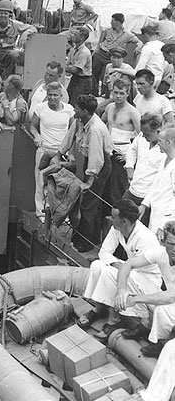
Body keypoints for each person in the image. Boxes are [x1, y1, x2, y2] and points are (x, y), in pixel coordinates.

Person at [79, 199, 162, 342]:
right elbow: (104, 252)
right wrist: (117, 264)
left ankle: (114, 319)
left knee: (110, 273)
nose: (111, 220)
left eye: (113, 217)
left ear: (124, 221)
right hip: (131, 270)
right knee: (97, 265)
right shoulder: (117, 229)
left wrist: (119, 268)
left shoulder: (145, 238)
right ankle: (98, 309)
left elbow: (136, 267)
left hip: (147, 280)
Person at [54, 94, 113, 251]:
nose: (74, 109)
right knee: (91, 202)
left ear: (85, 111)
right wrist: (59, 154)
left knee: (88, 203)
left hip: (100, 165)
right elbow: (69, 137)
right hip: (90, 162)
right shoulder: (79, 120)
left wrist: (90, 181)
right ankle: (90, 236)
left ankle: (86, 243)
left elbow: (97, 158)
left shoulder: (95, 129)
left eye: (77, 108)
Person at [113, 219, 175, 359]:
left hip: (172, 297)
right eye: (171, 244)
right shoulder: (160, 252)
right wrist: (121, 290)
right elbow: (128, 264)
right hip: (170, 294)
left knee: (163, 309)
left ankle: (161, 343)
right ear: (163, 242)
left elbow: (170, 297)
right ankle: (143, 324)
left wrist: (134, 300)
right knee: (132, 277)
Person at [30, 81, 74, 219]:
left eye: (55, 95)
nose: (52, 98)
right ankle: (41, 212)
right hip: (44, 150)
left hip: (62, 153)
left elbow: (72, 133)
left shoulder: (69, 109)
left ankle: (59, 214)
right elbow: (33, 126)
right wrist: (37, 136)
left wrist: (71, 153)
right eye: (50, 95)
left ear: (61, 95)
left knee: (61, 184)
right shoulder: (41, 108)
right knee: (41, 181)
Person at [0, 0, 36, 78]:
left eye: (5, 13)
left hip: (7, 52)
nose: (3, 15)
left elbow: (32, 28)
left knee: (14, 55)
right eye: (1, 13)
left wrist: (25, 34)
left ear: (10, 15)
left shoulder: (15, 25)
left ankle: (5, 78)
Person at [124, 113, 165, 210]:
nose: (143, 136)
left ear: (158, 131)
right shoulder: (142, 136)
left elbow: (160, 180)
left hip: (148, 198)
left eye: (147, 134)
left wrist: (145, 204)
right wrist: (129, 167)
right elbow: (132, 149)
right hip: (132, 190)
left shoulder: (166, 151)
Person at [92, 13, 142, 92]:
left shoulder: (127, 35)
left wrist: (138, 47)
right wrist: (95, 52)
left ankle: (106, 93)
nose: (110, 23)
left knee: (109, 75)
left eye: (112, 21)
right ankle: (94, 92)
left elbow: (139, 42)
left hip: (113, 57)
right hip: (101, 54)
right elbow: (99, 43)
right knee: (94, 73)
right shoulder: (107, 31)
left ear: (117, 22)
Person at [140, 128, 175, 236]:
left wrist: (164, 225)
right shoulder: (164, 158)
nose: (157, 143)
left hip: (167, 218)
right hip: (155, 212)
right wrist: (144, 204)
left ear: (168, 142)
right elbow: (156, 184)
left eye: (159, 141)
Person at [66, 27, 92, 104]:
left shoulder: (84, 52)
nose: (73, 36)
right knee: (68, 98)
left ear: (82, 38)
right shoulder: (73, 50)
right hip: (75, 78)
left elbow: (75, 69)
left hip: (83, 81)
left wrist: (64, 68)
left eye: (75, 35)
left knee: (76, 103)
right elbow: (68, 64)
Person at [135, 23, 166, 87]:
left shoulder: (147, 47)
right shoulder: (162, 45)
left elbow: (140, 67)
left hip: (148, 79)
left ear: (146, 35)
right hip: (159, 78)